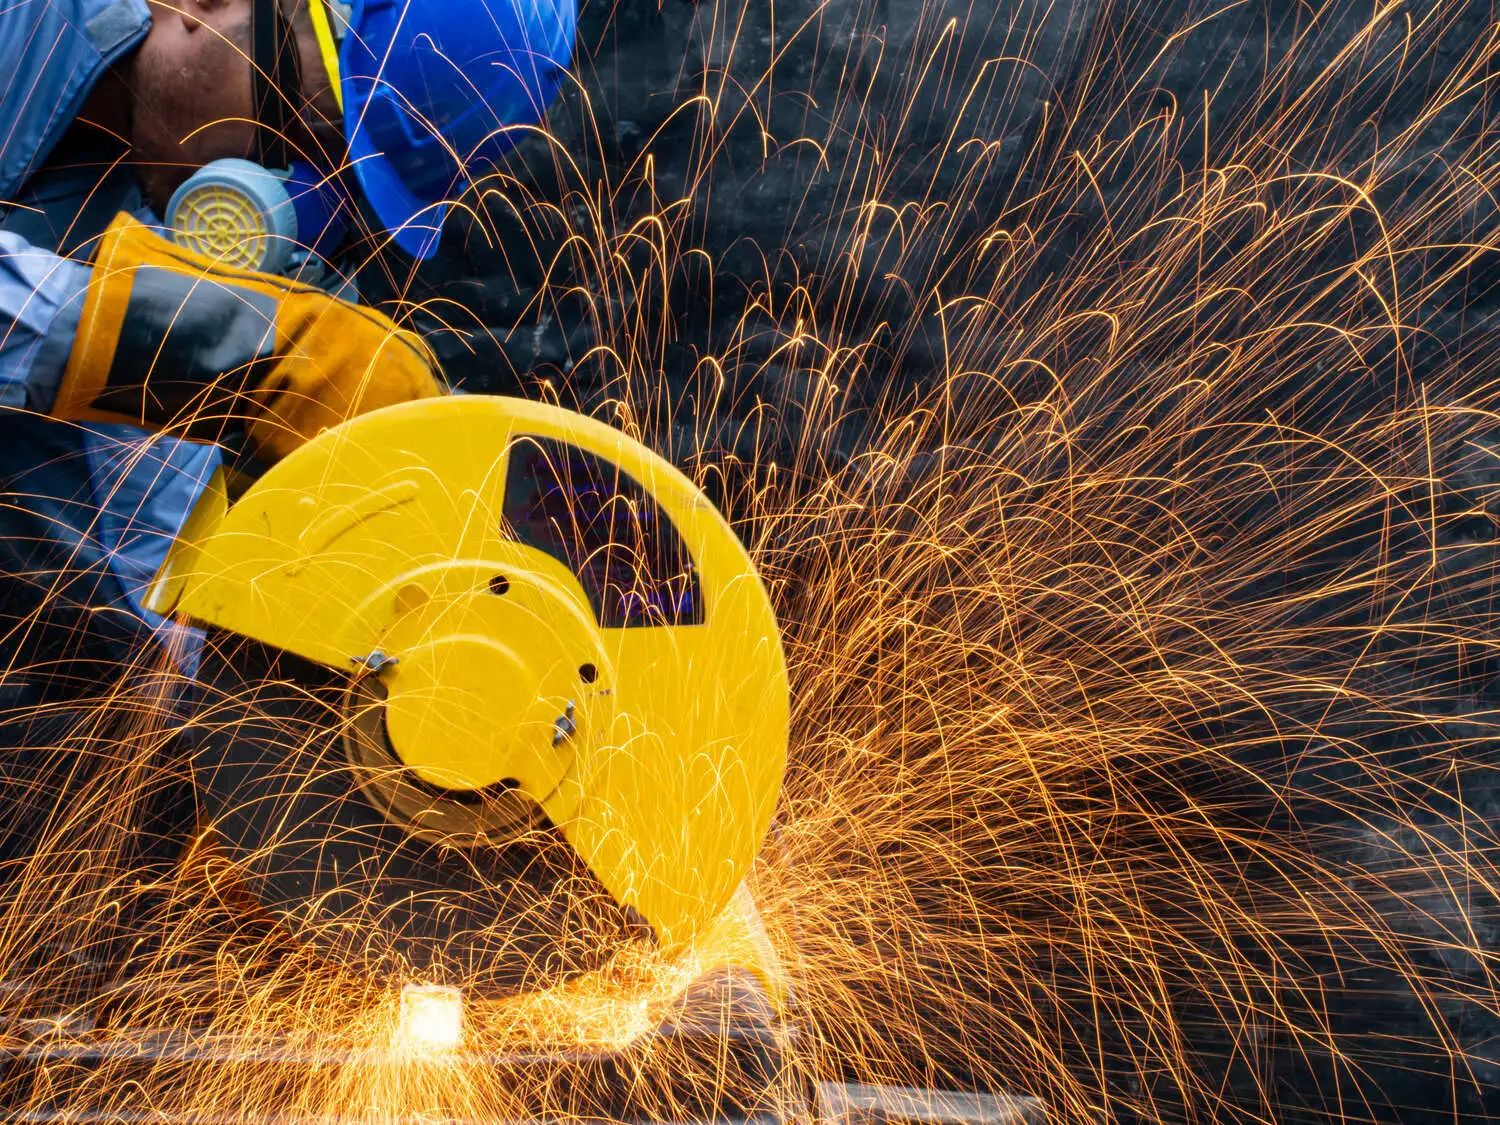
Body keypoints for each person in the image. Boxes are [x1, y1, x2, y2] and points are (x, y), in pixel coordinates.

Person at [0, 0, 576, 970]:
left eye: (347, 205)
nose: (290, 205)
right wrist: (218, 351)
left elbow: (154, 579)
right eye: (306, 131)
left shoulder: (156, 210)